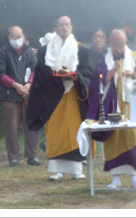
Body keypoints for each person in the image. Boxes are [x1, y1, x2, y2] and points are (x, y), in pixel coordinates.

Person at [26, 16, 92, 180]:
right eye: (61, 25)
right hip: (53, 97)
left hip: (73, 96)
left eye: (67, 24)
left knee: (74, 132)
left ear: (72, 27)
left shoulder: (81, 50)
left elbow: (88, 73)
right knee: (56, 133)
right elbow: (40, 75)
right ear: (55, 29)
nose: (64, 27)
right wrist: (54, 76)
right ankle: (58, 170)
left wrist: (76, 77)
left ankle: (77, 170)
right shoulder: (45, 51)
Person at [86, 29, 136, 189]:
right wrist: (112, 70)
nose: (119, 46)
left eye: (122, 42)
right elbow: (96, 81)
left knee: (131, 138)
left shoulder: (134, 57)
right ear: (109, 43)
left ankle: (134, 178)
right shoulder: (103, 61)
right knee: (113, 140)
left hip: (129, 105)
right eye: (115, 43)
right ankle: (115, 178)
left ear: (126, 41)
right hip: (111, 105)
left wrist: (134, 74)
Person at [0, 26, 41, 167]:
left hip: (28, 95)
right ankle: (13, 157)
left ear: (23, 36)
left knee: (31, 127)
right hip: (9, 97)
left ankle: (32, 156)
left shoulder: (29, 53)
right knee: (11, 128)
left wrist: (29, 84)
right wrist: (15, 85)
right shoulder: (2, 53)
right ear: (8, 38)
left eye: (19, 36)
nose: (17, 40)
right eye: (14, 37)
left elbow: (34, 69)